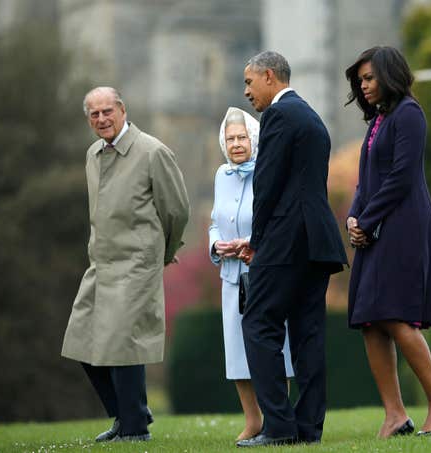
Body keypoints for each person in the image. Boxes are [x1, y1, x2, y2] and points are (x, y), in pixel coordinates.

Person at [61, 87, 189, 442]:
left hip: (137, 264)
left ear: (122, 110)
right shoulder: (92, 154)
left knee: (124, 343)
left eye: (107, 111)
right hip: (100, 264)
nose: (101, 119)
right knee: (81, 340)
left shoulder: (153, 152)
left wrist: (161, 252)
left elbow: (177, 210)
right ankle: (129, 413)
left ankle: (133, 431)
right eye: (94, 114)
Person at [236, 51, 348, 447]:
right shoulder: (311, 116)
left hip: (285, 241)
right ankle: (308, 429)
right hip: (317, 242)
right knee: (308, 334)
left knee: (258, 323)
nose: (247, 91)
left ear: (269, 76)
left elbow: (266, 186)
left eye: (250, 82)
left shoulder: (279, 116)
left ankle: (279, 427)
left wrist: (258, 240)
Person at [344, 46, 431, 438]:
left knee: (393, 313)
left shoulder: (409, 114)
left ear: (389, 75)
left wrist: (368, 220)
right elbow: (366, 180)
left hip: (404, 226)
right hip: (375, 228)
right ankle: (395, 415)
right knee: (369, 320)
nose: (364, 85)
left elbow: (401, 177)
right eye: (360, 80)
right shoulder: (378, 119)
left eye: (370, 78)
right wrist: (354, 219)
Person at [208, 107, 295, 441]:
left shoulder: (268, 171)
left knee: (274, 348)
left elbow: (275, 219)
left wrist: (253, 242)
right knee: (237, 352)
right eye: (230, 139)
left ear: (254, 139)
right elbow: (216, 221)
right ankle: (253, 420)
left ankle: (279, 417)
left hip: (265, 272)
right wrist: (216, 246)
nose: (236, 144)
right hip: (232, 276)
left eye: (242, 137)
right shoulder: (220, 176)